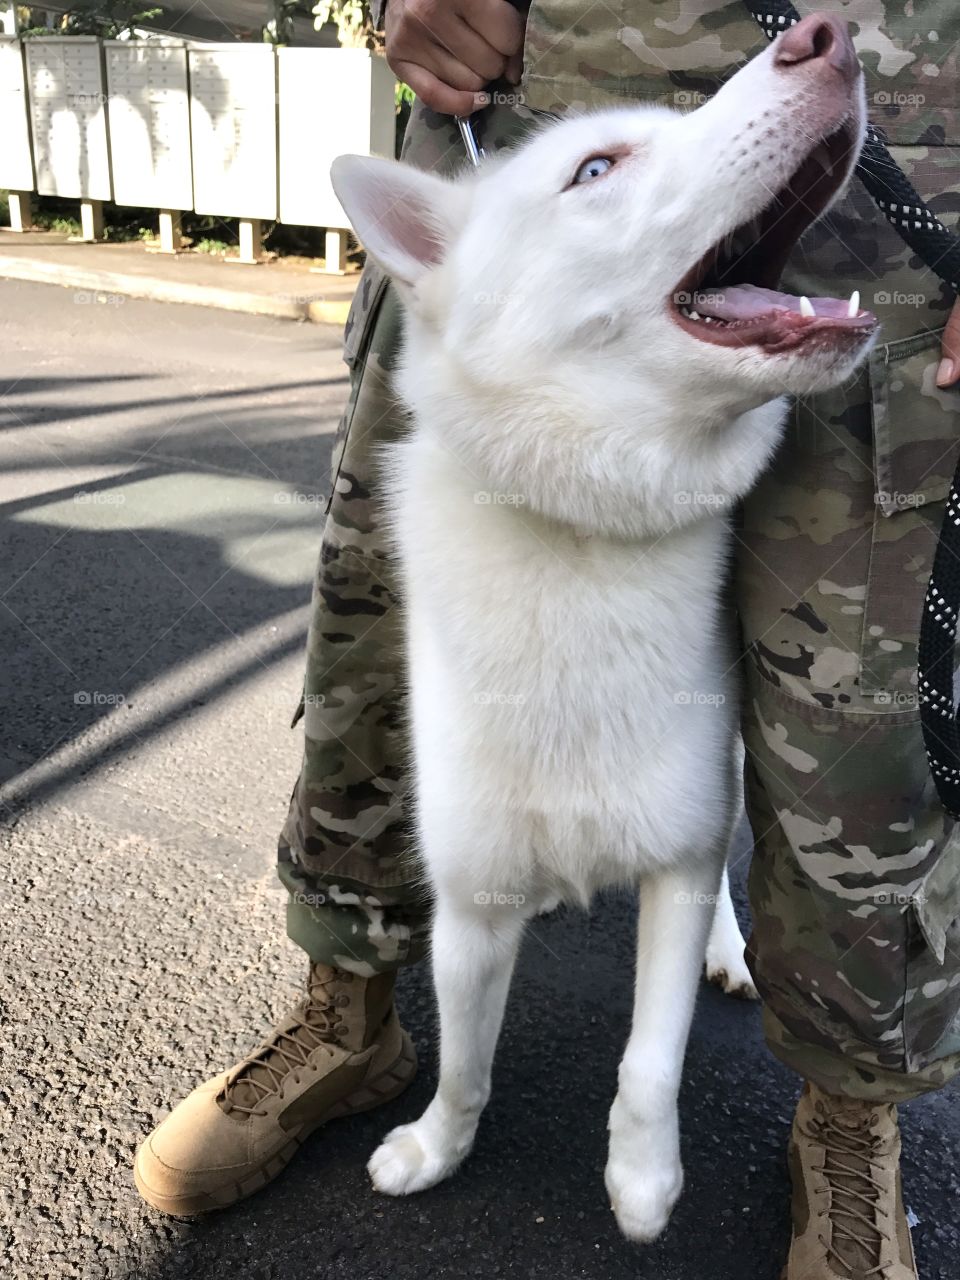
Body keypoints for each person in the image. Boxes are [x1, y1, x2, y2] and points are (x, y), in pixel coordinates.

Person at [135, 3, 960, 1275]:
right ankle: (349, 1003)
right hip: (519, 84)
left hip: (917, 146)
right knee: (369, 646)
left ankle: (850, 1112)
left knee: (854, 729)